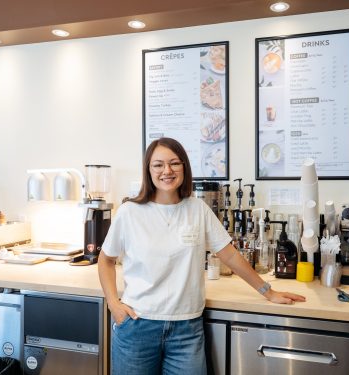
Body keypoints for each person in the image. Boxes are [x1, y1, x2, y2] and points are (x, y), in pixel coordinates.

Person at [98, 137, 306, 375]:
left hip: (186, 330)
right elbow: (106, 260)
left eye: (174, 163)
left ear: (184, 167)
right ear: (148, 170)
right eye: (158, 165)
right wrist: (114, 304)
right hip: (137, 325)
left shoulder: (197, 209)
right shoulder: (129, 212)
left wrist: (268, 292)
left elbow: (230, 255)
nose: (167, 171)